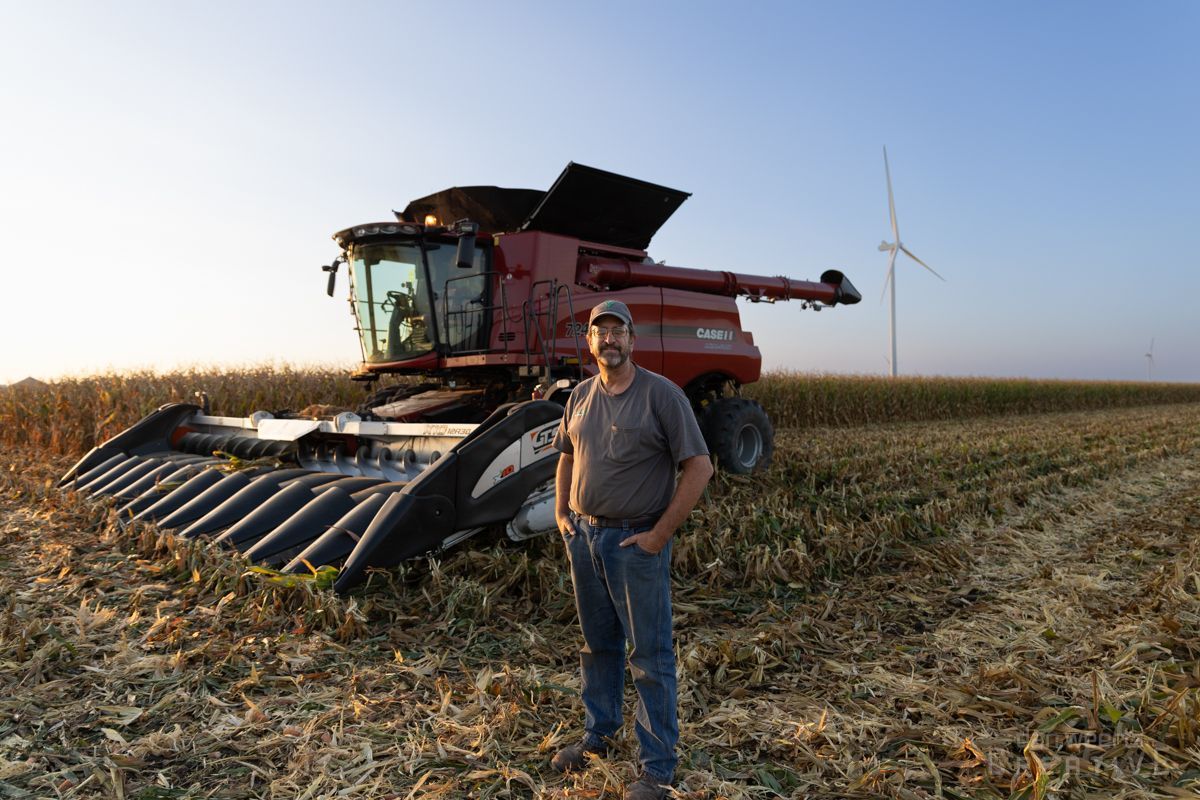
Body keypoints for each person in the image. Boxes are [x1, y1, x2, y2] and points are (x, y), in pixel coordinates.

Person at [550, 299, 714, 800]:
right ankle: (599, 735)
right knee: (597, 646)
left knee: (649, 655)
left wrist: (659, 536)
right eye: (601, 332)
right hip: (586, 538)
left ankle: (657, 769)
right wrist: (562, 513)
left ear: (631, 339)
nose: (609, 339)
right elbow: (566, 455)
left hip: (634, 542)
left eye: (618, 331)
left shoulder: (660, 395)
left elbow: (700, 467)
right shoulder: (579, 395)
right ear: (590, 342)